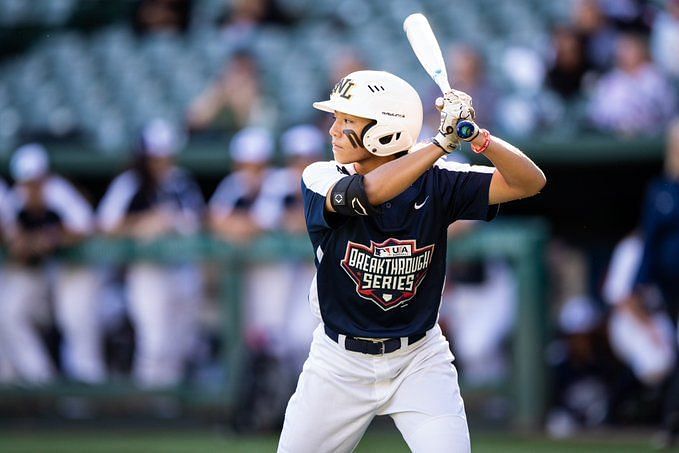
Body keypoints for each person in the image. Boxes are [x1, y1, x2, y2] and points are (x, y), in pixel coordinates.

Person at [277, 70, 546, 452]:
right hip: (338, 363)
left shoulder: (438, 179)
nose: (333, 130)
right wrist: (440, 143)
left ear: (384, 129)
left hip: (419, 358)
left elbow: (528, 183)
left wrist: (477, 137)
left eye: (347, 120)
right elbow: (368, 192)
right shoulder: (319, 176)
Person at [97, 119, 205, 388]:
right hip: (146, 271)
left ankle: (169, 404)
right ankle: (148, 402)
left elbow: (199, 221)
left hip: (181, 269)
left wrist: (170, 223)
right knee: (154, 340)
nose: (161, 162)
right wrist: (143, 222)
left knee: (179, 341)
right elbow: (105, 225)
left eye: (166, 156)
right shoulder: (130, 183)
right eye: (156, 156)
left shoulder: (181, 181)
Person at [0, 144, 104, 385]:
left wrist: (52, 237)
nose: (32, 188)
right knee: (9, 313)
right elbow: (14, 241)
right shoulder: (15, 200)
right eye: (27, 182)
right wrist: (26, 242)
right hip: (39, 274)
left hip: (74, 271)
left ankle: (87, 391)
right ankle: (40, 383)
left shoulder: (59, 192)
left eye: (36, 181)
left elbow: (87, 228)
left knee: (76, 321)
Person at [628, 118, 679, 447]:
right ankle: (671, 419)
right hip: (669, 289)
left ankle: (672, 419)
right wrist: (639, 285)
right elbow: (650, 243)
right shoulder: (661, 189)